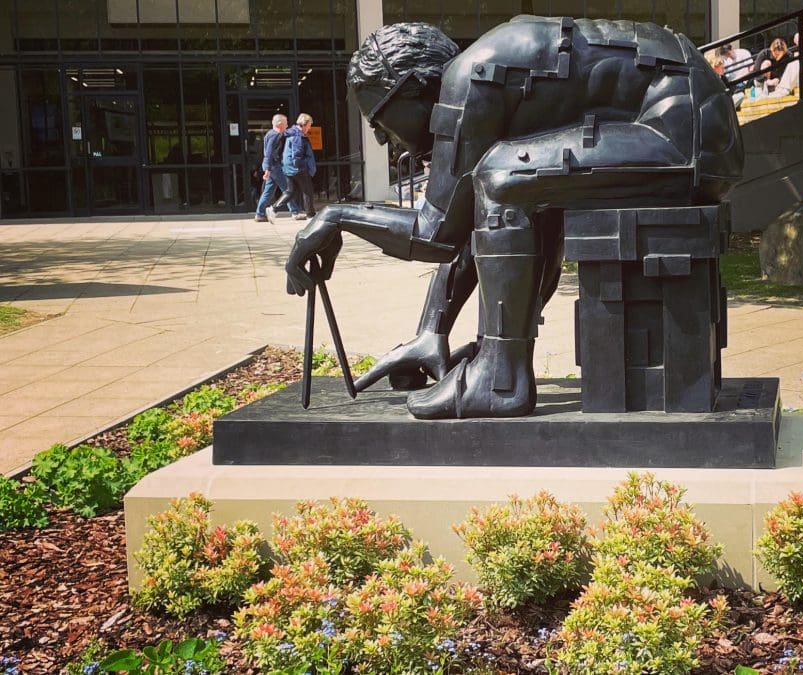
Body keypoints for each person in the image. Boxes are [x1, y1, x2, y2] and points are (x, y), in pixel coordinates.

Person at [283, 19, 743, 419]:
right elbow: (463, 220)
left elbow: (436, 232)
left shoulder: (471, 80)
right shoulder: (486, 68)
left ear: (411, 90)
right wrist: (433, 330)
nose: (384, 141)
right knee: (515, 177)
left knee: (502, 176)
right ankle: (496, 358)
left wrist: (336, 216)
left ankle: (501, 379)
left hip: (687, 134)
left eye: (380, 121)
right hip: (689, 117)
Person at [268, 113, 317, 222]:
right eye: (309, 125)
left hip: (288, 168)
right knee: (307, 191)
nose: (309, 128)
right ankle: (310, 215)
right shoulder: (297, 135)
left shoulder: (290, 133)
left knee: (290, 191)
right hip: (297, 169)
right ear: (304, 124)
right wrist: (303, 166)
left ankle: (273, 208)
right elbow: (297, 154)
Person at [255, 114, 300, 222]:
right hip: (275, 167)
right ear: (279, 124)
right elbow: (269, 153)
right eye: (286, 123)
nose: (287, 125)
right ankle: (295, 212)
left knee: (268, 192)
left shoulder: (271, 133)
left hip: (272, 167)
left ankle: (260, 214)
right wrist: (267, 168)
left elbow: (288, 132)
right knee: (288, 190)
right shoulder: (275, 135)